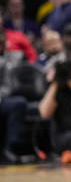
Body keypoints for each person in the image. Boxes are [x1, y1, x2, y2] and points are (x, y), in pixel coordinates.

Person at [0, 27, 27, 163]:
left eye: (2, 38)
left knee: (18, 103)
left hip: (4, 99)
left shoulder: (14, 57)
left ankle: (10, 149)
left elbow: (10, 85)